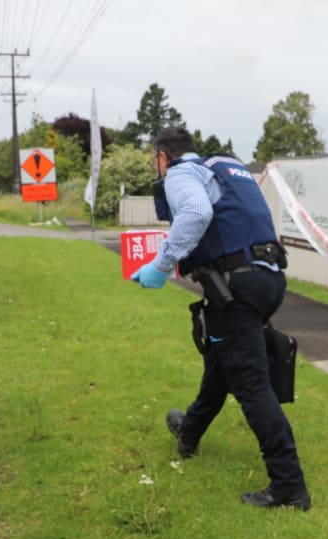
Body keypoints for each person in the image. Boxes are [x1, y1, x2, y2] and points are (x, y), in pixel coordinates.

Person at [130, 126, 311, 511]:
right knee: (221, 362)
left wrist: (160, 267)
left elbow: (196, 213)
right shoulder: (228, 170)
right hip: (268, 279)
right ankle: (189, 432)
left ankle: (289, 486)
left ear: (163, 156)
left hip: (237, 288)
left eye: (155, 160)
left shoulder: (181, 173)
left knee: (251, 384)